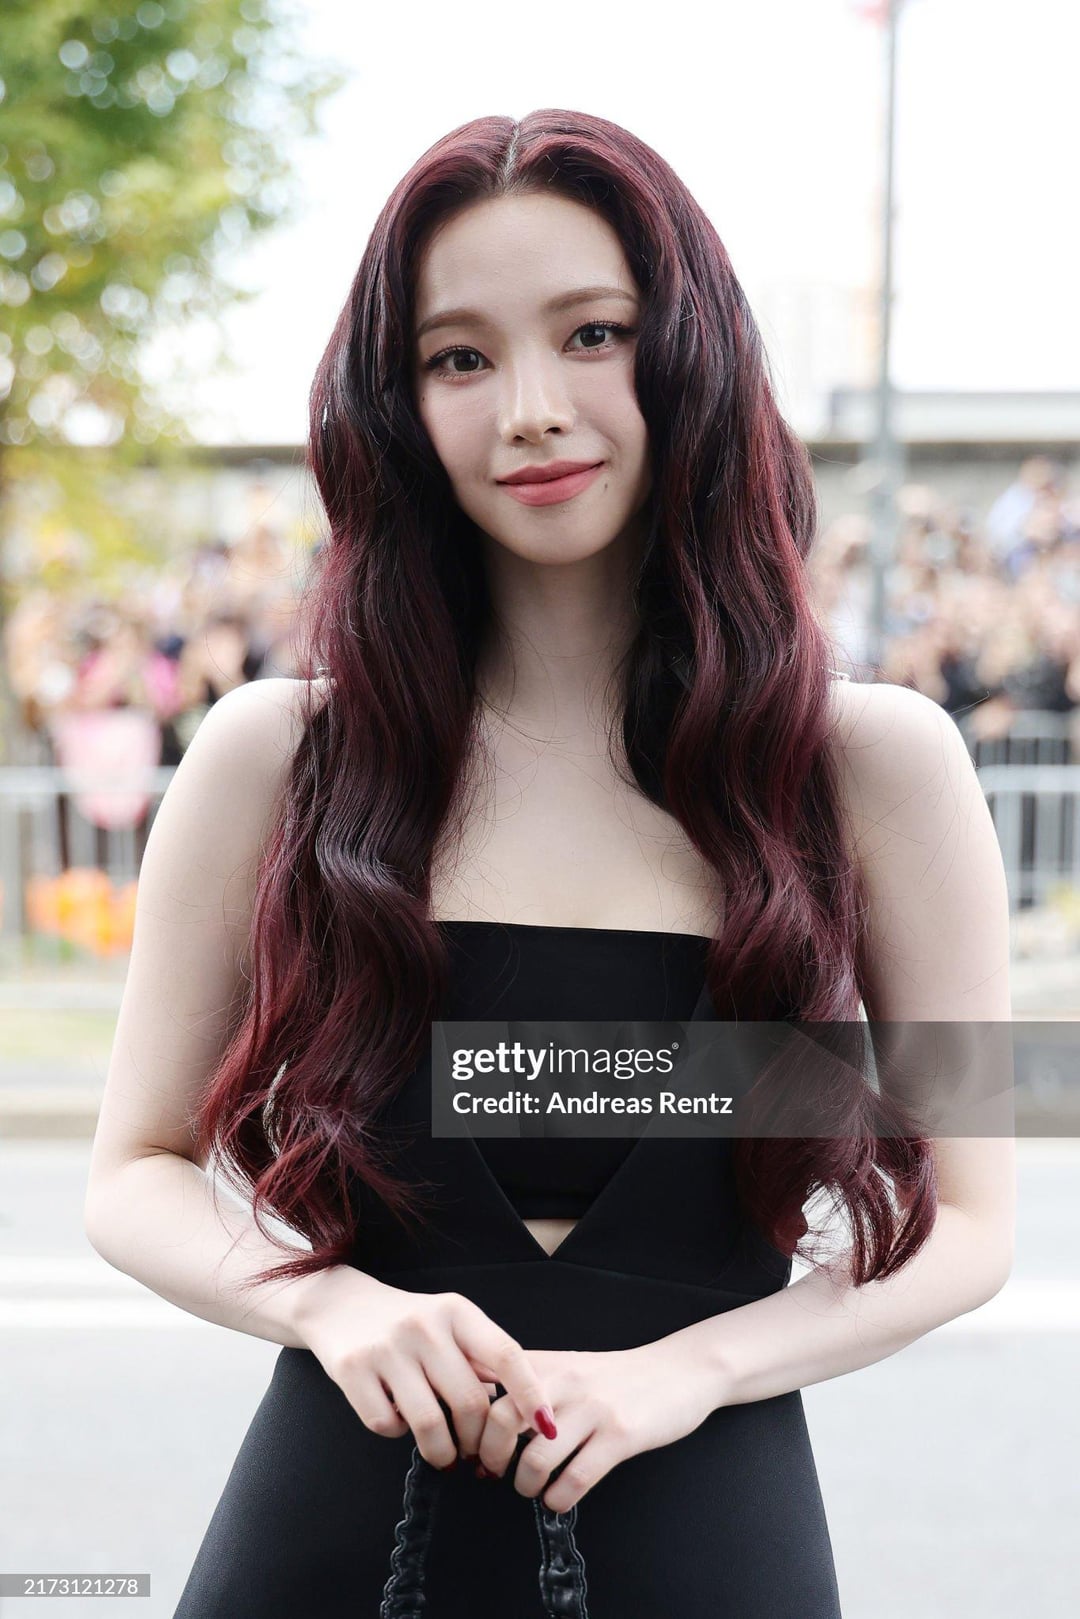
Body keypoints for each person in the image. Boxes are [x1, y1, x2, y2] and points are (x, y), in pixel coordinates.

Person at [84, 110, 1015, 1617]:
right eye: (459, 358)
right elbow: (128, 1174)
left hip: (708, 1516)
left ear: (692, 352)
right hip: (337, 1520)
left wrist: (691, 1371)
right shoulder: (278, 756)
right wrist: (329, 1310)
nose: (529, 408)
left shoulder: (876, 765)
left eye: (592, 333)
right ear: (398, 404)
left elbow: (973, 1221)